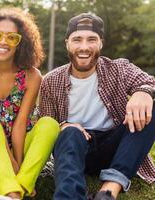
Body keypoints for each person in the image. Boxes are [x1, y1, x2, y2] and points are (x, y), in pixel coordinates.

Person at [39, 12, 155, 200]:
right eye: (77, 39)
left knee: (151, 108)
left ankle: (108, 190)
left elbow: (148, 82)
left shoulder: (119, 68)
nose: (84, 47)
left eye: (91, 39)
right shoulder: (51, 81)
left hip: (116, 148)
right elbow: (44, 123)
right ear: (67, 42)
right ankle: (69, 196)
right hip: (75, 150)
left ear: (101, 42)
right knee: (69, 133)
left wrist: (143, 93)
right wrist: (63, 126)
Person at [0, 7, 60, 200]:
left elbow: (20, 124)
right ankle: (12, 193)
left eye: (12, 37)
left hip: (20, 142)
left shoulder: (32, 76)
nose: (3, 42)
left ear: (21, 43)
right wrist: (12, 165)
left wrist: (18, 165)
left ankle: (25, 181)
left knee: (49, 123)